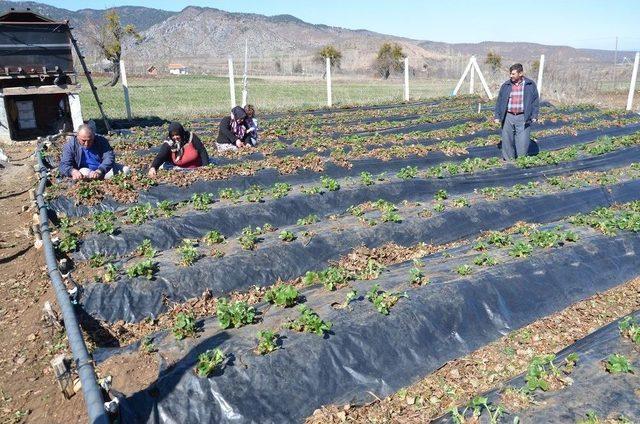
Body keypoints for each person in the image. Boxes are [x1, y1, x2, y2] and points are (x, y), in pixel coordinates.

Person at [494, 63, 540, 160]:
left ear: (521, 73)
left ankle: (521, 160)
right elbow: (499, 101)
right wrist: (497, 116)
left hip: (523, 116)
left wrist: (534, 115)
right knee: (507, 140)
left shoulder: (530, 85)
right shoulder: (506, 85)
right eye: (510, 73)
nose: (511, 76)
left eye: (513, 74)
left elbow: (535, 101)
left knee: (523, 141)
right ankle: (508, 161)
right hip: (508, 116)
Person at [59, 124, 128, 180]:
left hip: (102, 171)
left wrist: (100, 170)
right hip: (85, 172)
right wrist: (73, 171)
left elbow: (109, 157)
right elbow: (64, 165)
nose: (86, 143)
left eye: (90, 140)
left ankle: (101, 179)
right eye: (83, 140)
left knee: (126, 170)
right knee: (84, 171)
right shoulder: (70, 146)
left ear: (94, 136)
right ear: (77, 136)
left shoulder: (101, 141)